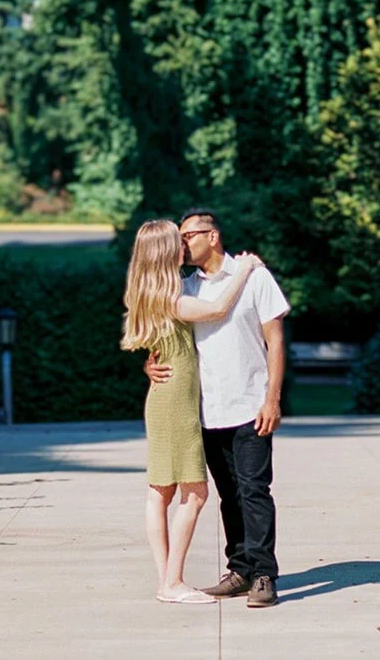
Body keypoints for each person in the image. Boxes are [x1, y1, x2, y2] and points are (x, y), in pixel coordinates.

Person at [146, 208, 290, 609]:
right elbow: (166, 338)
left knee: (255, 490)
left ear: (212, 236)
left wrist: (272, 397)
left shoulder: (255, 276)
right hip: (206, 411)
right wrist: (149, 363)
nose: (182, 244)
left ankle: (264, 574)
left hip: (250, 404)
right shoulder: (185, 288)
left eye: (188, 236)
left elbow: (275, 341)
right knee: (229, 495)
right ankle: (240, 568)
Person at [120, 219, 262, 605]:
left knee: (159, 491)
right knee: (195, 493)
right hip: (177, 403)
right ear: (165, 252)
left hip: (164, 399)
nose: (184, 246)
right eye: (176, 242)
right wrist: (245, 269)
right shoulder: (172, 298)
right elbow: (217, 309)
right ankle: (173, 581)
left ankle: (167, 580)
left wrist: (149, 367)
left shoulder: (146, 294)